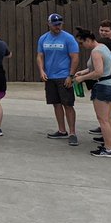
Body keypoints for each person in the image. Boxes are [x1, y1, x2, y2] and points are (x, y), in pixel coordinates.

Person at [74, 29, 111, 156]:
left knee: (103, 119)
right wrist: (83, 72)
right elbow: (96, 67)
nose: (81, 46)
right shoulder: (103, 47)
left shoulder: (95, 52)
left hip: (102, 86)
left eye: (82, 43)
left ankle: (108, 148)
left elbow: (98, 72)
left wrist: (82, 78)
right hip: (110, 85)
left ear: (88, 40)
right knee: (109, 118)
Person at [39, 13, 80, 145]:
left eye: (60, 24)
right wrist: (41, 70)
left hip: (63, 76)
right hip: (50, 76)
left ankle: (72, 132)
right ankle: (62, 130)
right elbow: (40, 55)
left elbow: (75, 57)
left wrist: (71, 75)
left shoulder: (68, 38)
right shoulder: (43, 38)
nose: (58, 26)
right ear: (49, 24)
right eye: (55, 24)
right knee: (56, 103)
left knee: (68, 104)